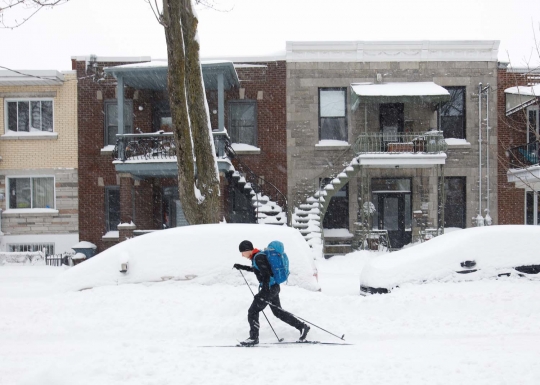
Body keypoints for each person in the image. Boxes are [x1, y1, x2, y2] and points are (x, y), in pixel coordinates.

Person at [233, 240, 310, 346]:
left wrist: (264, 292)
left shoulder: (258, 257)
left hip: (269, 289)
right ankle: (302, 327)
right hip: (273, 287)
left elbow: (266, 274)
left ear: (247, 250)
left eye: (242, 252)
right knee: (278, 312)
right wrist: (242, 267)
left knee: (252, 311)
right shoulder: (258, 256)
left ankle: (253, 337)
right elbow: (258, 269)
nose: (242, 255)